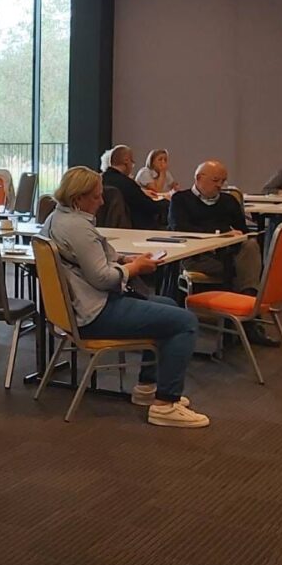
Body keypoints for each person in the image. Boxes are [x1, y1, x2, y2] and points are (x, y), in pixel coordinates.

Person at [40, 167, 207, 428]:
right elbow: (103, 278)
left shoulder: (56, 218)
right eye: (96, 196)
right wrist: (135, 268)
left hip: (77, 310)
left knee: (167, 306)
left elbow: (92, 257)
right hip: (95, 314)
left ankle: (147, 387)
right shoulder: (78, 227)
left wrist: (124, 259)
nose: (102, 202)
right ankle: (165, 405)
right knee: (184, 321)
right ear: (78, 198)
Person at [168, 161, 277, 345]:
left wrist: (234, 236)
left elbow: (243, 231)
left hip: (228, 253)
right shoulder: (180, 200)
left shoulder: (229, 201)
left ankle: (244, 317)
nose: (220, 185)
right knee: (244, 270)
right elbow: (179, 228)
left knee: (250, 247)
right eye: (215, 180)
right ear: (198, 178)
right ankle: (249, 321)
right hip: (197, 256)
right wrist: (219, 234)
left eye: (223, 181)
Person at [101, 145, 168, 230]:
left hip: (102, 228)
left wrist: (141, 191)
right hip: (134, 229)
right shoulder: (126, 183)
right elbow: (149, 206)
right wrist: (166, 202)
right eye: (132, 162)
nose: (132, 166)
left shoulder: (100, 179)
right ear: (126, 161)